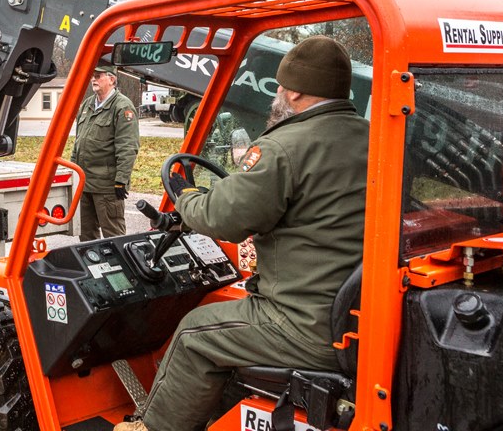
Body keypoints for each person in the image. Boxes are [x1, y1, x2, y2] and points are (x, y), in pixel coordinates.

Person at [115, 36, 370, 431]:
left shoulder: (284, 147)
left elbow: (222, 217)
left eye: (281, 87)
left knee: (194, 333)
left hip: (303, 324)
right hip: (355, 317)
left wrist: (185, 198)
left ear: (298, 90)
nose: (277, 94)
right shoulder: (373, 137)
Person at [70, 64, 140, 241]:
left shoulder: (122, 106)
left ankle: (122, 267)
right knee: (86, 235)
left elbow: (128, 146)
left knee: (114, 235)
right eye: (93, 75)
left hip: (107, 186)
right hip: (84, 183)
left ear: (112, 79)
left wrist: (121, 180)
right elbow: (79, 142)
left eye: (98, 75)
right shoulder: (87, 104)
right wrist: (72, 174)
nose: (93, 79)